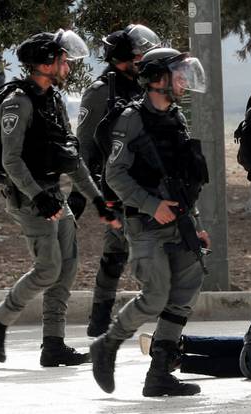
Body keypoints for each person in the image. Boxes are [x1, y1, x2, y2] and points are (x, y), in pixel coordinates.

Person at [0, 29, 120, 367]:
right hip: (29, 196)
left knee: (67, 267)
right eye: (63, 59)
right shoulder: (17, 102)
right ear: (45, 63)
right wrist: (39, 197)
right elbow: (11, 160)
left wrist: (97, 199)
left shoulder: (53, 99)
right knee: (47, 269)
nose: (68, 65)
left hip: (54, 194)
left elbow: (70, 156)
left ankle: (53, 344)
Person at [90, 47, 210, 397]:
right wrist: (151, 204)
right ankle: (107, 344)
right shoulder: (131, 119)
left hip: (181, 221)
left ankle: (159, 374)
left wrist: (196, 223)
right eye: (178, 73)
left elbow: (184, 177)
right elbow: (114, 174)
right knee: (155, 297)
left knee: (184, 293)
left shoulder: (176, 117)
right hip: (146, 224)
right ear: (158, 79)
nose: (185, 80)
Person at [75, 24, 160, 337]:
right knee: (117, 252)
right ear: (123, 57)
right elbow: (84, 144)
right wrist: (82, 191)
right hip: (117, 183)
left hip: (148, 182)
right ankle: (100, 320)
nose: (143, 59)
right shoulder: (101, 92)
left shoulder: (143, 85)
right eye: (138, 54)